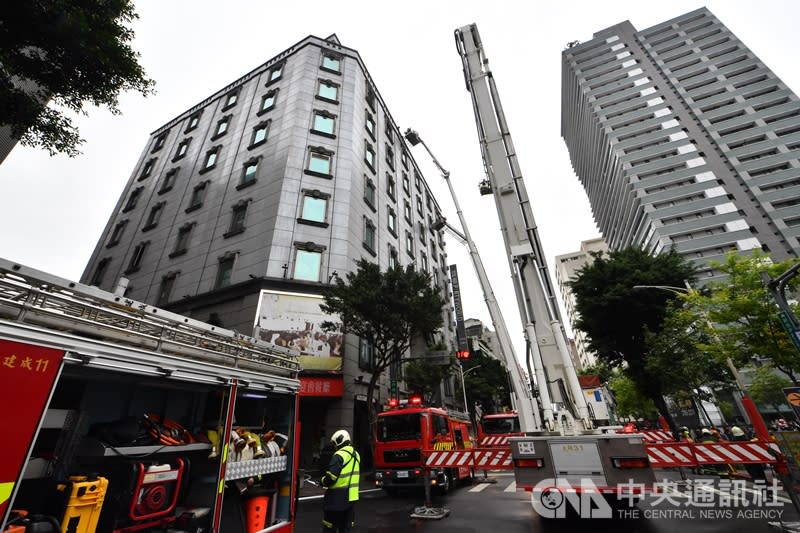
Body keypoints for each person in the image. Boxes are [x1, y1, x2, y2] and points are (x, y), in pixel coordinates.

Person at [320, 429, 360, 533]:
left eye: (334, 443)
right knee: (346, 528)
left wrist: (322, 481)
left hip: (336, 498)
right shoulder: (356, 455)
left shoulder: (339, 455)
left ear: (339, 441)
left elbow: (331, 478)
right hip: (351, 498)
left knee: (329, 527)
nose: (334, 446)